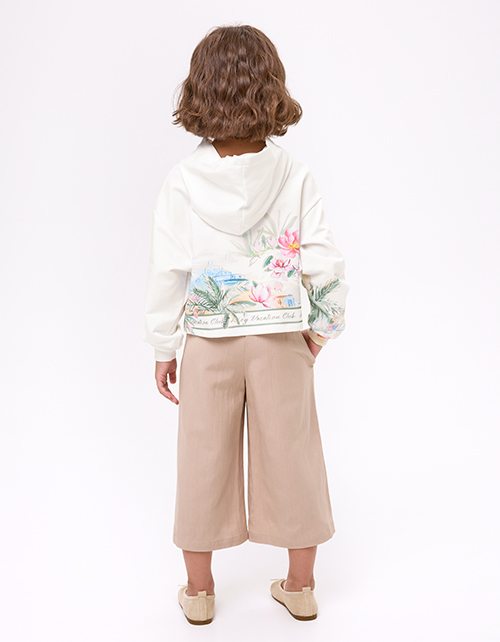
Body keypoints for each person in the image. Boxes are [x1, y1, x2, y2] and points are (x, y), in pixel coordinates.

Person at [143, 24, 350, 625]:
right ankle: (301, 586)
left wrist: (163, 346)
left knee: (202, 455)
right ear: (272, 88)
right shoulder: (294, 174)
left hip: (209, 339)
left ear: (200, 92)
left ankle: (199, 592)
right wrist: (321, 329)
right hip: (281, 336)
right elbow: (325, 261)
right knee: (293, 452)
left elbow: (167, 269)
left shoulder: (183, 181)